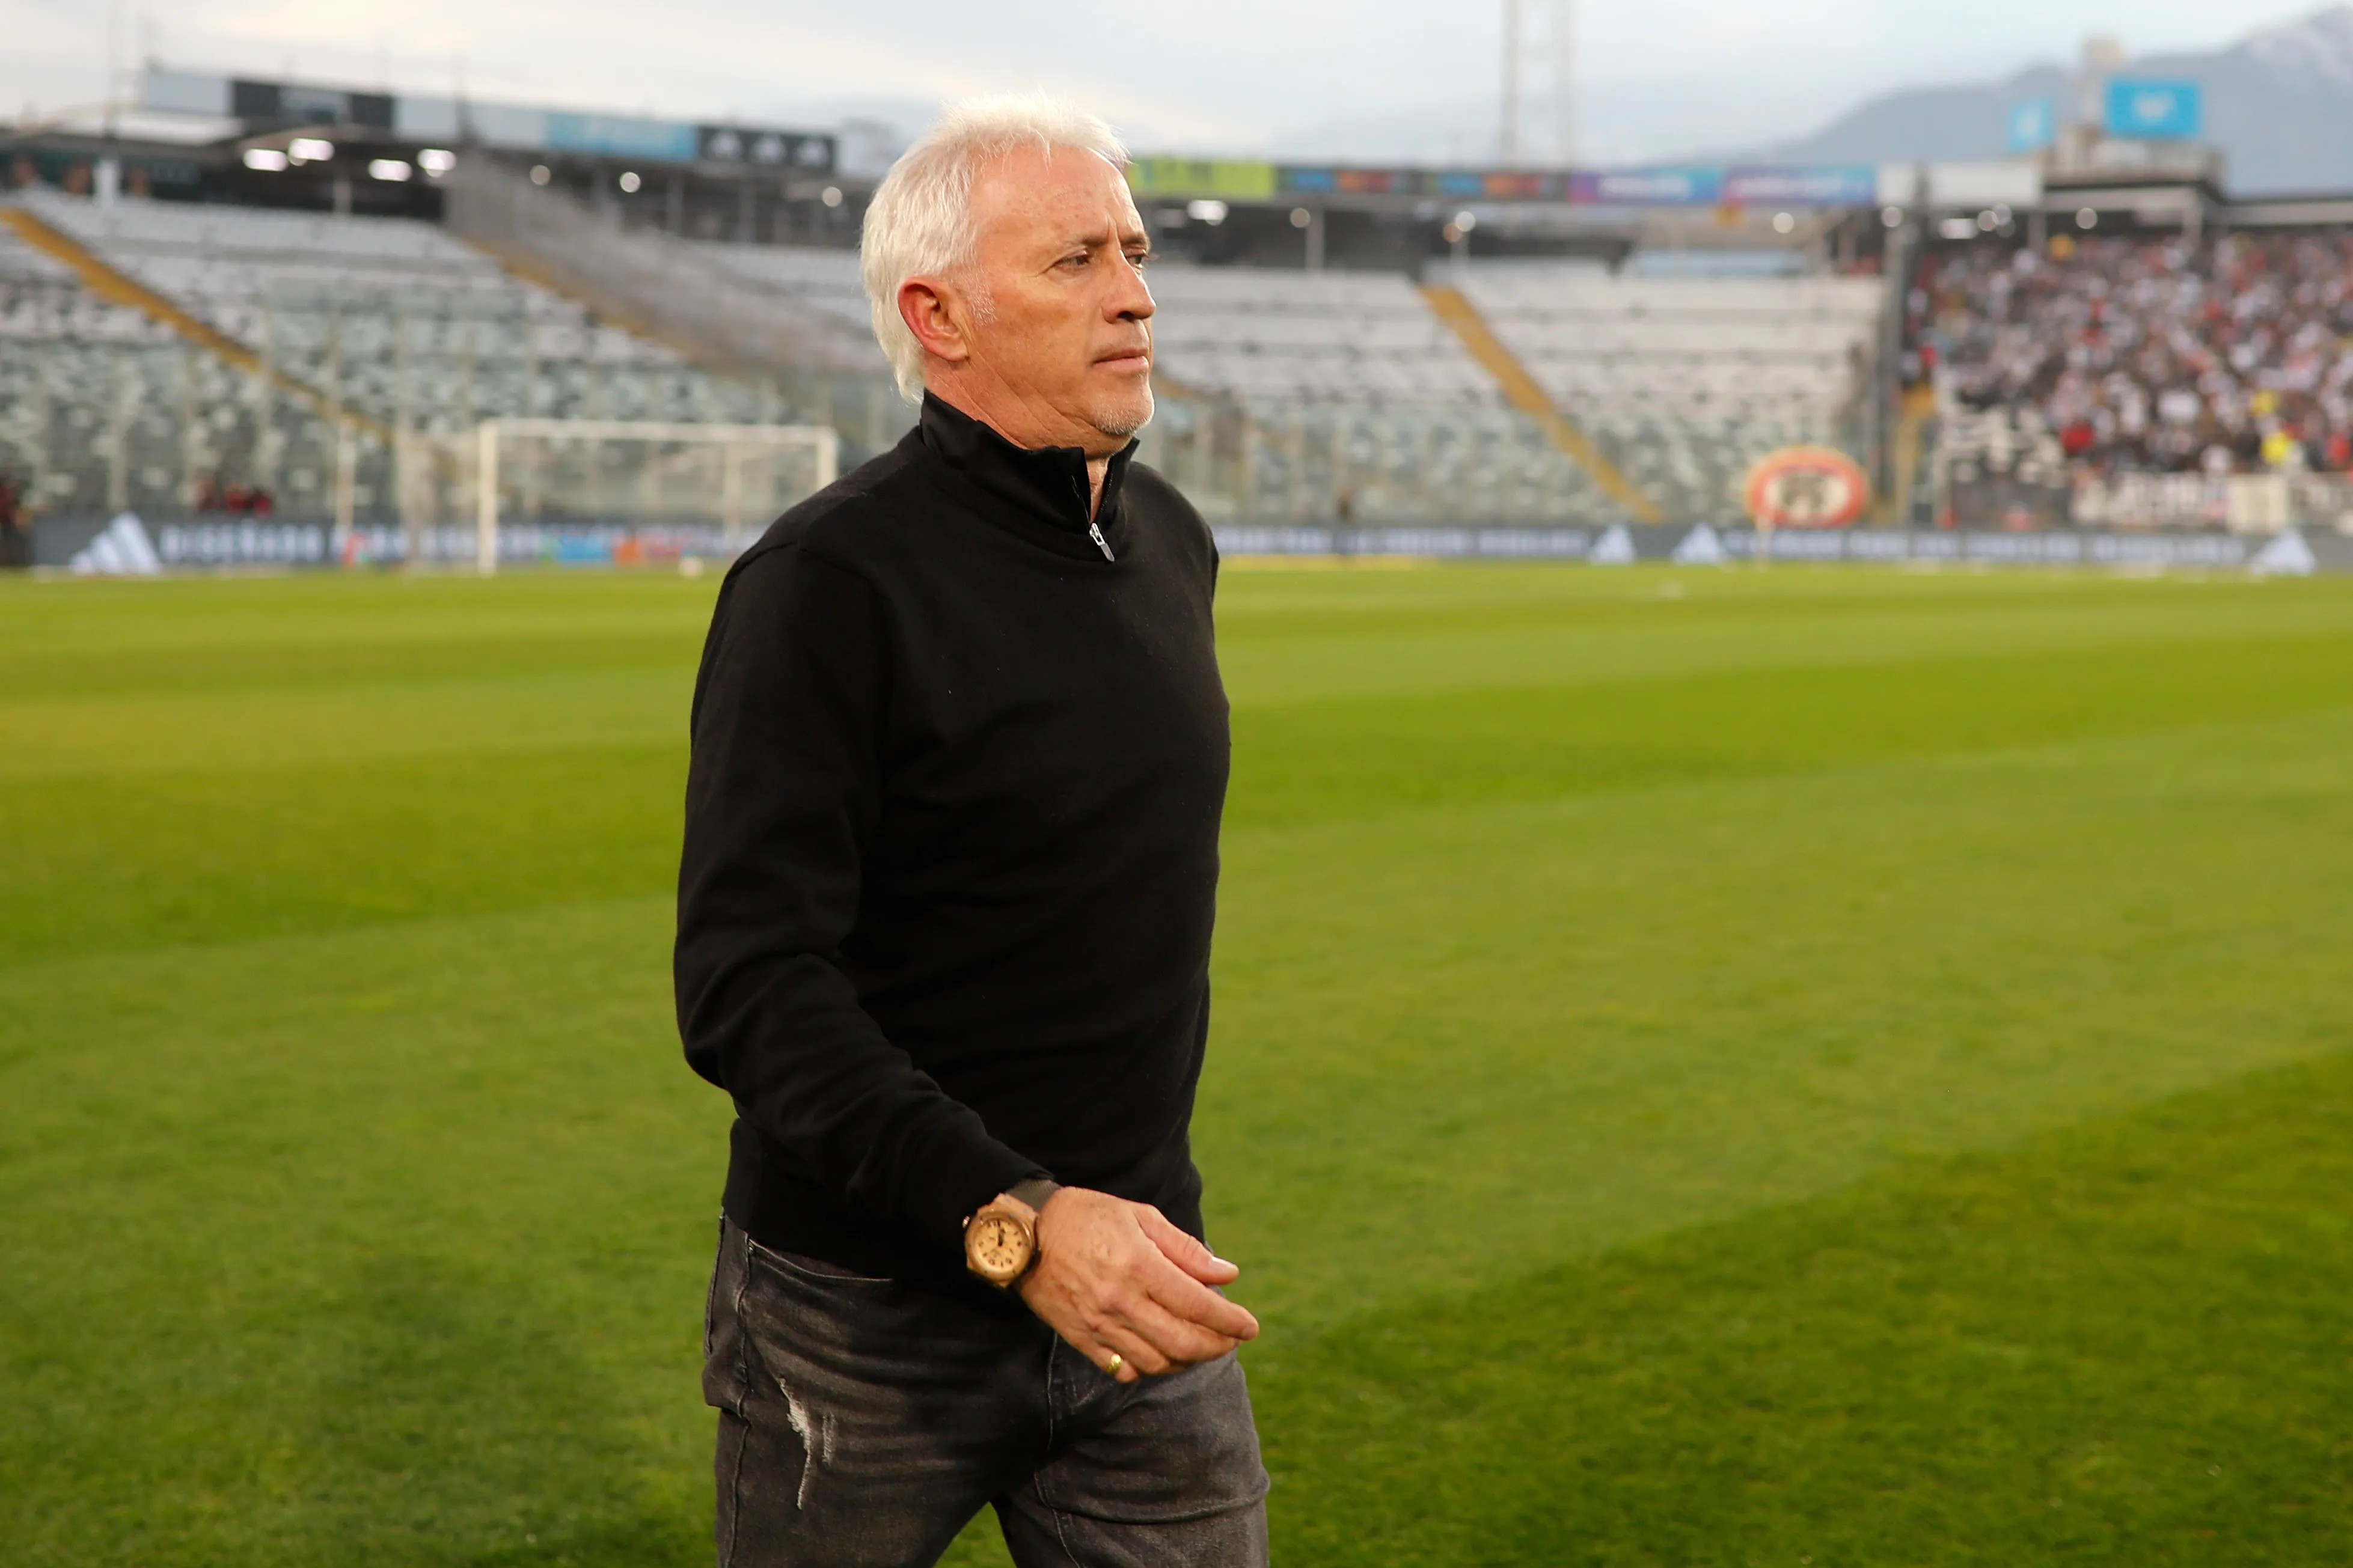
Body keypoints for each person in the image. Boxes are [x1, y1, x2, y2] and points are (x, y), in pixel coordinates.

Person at [674, 95, 1266, 1568]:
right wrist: (1015, 1218)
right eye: (1074, 260)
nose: (1132, 291)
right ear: (938, 315)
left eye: (1132, 251)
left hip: (1140, 1286)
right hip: (860, 1320)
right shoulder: (827, 583)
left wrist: (1094, 1225)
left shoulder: (1170, 543)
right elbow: (748, 985)